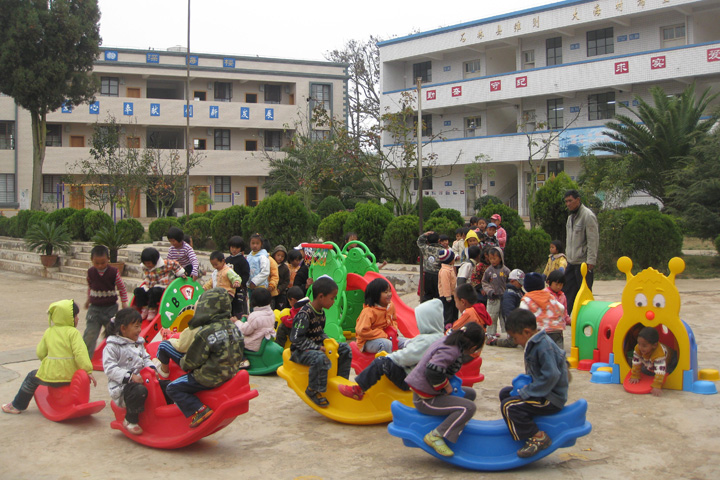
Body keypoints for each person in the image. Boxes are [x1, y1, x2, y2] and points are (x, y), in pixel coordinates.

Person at [166, 288, 245, 428]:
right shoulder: (234, 327)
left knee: (172, 388)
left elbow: (191, 362)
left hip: (210, 376)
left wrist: (181, 360)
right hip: (231, 372)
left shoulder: (206, 332)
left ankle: (200, 409)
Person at [404, 323, 485, 457]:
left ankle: (453, 421)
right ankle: (436, 435)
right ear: (473, 347)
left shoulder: (450, 341)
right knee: (468, 408)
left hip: (431, 392)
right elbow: (432, 370)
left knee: (469, 394)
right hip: (426, 399)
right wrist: (445, 385)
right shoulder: (451, 349)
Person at [338, 299, 445, 400]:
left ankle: (358, 390)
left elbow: (406, 357)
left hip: (411, 380)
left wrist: (389, 357)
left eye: (420, 321)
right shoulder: (438, 337)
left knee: (381, 362)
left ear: (428, 322)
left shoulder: (428, 340)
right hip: (420, 377)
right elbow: (414, 347)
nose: (417, 324)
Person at [3, 300, 96, 415]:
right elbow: (80, 353)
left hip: (51, 377)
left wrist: (48, 363)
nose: (77, 319)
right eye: (75, 316)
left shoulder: (49, 332)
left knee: (31, 377)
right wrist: (88, 370)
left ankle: (17, 406)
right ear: (67, 317)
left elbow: (40, 352)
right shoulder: (73, 333)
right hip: (70, 377)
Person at [500, 309, 569, 458]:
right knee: (505, 394)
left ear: (526, 332)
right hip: (542, 391)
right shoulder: (535, 342)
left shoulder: (544, 346)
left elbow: (551, 376)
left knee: (509, 406)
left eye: (515, 337)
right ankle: (521, 425)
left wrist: (527, 391)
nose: (515, 342)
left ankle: (538, 437)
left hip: (551, 398)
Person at [289, 276, 352, 408]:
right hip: (300, 351)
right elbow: (296, 339)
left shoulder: (321, 312)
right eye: (332, 298)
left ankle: (341, 381)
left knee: (344, 348)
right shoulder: (304, 314)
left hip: (315, 346)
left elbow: (318, 332)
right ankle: (313, 389)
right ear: (321, 296)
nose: (334, 301)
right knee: (320, 357)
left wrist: (327, 340)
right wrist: (316, 347)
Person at [102, 308, 158, 435]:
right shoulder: (112, 347)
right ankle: (130, 420)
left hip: (142, 380)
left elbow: (146, 358)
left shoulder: (138, 343)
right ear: (123, 328)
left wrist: (152, 369)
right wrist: (130, 376)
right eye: (136, 326)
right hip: (123, 388)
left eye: (140, 326)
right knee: (139, 391)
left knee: (164, 385)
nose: (139, 330)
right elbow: (110, 369)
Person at [83, 245, 129, 356]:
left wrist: (124, 302)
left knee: (113, 334)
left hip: (110, 308)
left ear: (108, 259)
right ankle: (85, 359)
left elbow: (121, 287)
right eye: (96, 263)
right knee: (90, 334)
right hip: (94, 309)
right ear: (91, 260)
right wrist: (88, 300)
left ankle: (115, 356)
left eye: (103, 262)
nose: (100, 265)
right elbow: (90, 286)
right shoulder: (90, 272)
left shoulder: (113, 272)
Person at [563, 189, 599, 315]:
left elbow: (593, 240)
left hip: (583, 263)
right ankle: (566, 317)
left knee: (584, 292)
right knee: (567, 291)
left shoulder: (588, 216)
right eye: (566, 201)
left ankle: (587, 317)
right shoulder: (570, 218)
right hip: (571, 262)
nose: (568, 204)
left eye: (570, 201)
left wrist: (591, 261)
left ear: (578, 200)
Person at [134, 247, 186, 320]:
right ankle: (144, 308)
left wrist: (181, 273)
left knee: (153, 291)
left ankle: (152, 309)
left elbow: (175, 265)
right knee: (138, 291)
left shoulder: (164, 264)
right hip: (149, 287)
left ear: (155, 260)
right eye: (145, 263)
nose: (147, 265)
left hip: (162, 288)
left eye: (149, 263)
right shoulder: (144, 267)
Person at [355, 278, 406, 353]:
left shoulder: (390, 306)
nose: (389, 294)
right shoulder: (368, 312)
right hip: (368, 341)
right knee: (386, 344)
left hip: (388, 336)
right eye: (385, 292)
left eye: (389, 291)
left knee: (410, 343)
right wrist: (382, 334)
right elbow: (362, 331)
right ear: (376, 295)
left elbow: (394, 320)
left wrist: (393, 330)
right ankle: (384, 363)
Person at [520, 273, 566, 349]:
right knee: (558, 351)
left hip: (540, 332)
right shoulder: (549, 295)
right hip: (556, 330)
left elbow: (522, 313)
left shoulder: (526, 299)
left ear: (526, 286)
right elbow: (561, 307)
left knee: (541, 351)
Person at [629, 327, 675, 397]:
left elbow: (660, 370)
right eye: (639, 343)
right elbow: (636, 361)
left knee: (668, 370)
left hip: (670, 359)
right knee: (645, 369)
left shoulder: (659, 354)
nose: (640, 347)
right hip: (650, 360)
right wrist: (635, 375)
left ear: (654, 345)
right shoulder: (638, 348)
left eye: (644, 345)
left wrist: (657, 385)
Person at [488, 269, 525, 348]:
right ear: (512, 281)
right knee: (512, 343)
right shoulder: (509, 294)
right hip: (514, 322)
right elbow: (508, 310)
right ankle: (494, 341)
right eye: (519, 282)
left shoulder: (519, 291)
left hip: (520, 320)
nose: (521, 284)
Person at [235, 287, 276, 352]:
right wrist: (249, 318)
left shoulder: (254, 316)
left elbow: (245, 330)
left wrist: (236, 322)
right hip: (264, 342)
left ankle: (243, 360)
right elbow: (261, 322)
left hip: (253, 345)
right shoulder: (271, 312)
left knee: (234, 344)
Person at [481, 246, 510, 337]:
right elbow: (484, 282)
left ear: (500, 258)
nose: (492, 261)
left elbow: (510, 282)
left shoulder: (506, 270)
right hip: (492, 298)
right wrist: (489, 291)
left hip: (504, 298)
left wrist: (508, 292)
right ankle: (490, 334)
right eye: (490, 258)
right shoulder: (488, 271)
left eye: (494, 258)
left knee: (505, 317)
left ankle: (507, 334)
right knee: (491, 316)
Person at [226, 236, 250, 318]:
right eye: (232, 247)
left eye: (237, 247)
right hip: (228, 289)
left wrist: (241, 284)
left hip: (239, 290)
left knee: (240, 310)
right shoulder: (227, 260)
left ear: (241, 248)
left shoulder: (243, 261)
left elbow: (246, 274)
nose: (234, 250)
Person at [417, 231, 443, 302]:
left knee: (428, 294)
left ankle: (424, 308)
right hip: (438, 274)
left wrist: (424, 235)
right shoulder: (442, 250)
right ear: (439, 241)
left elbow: (419, 242)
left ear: (427, 241)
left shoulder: (426, 248)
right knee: (439, 295)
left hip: (428, 274)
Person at [437, 249, 457, 325]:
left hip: (452, 295)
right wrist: (447, 296)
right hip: (446, 297)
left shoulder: (449, 268)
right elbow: (445, 284)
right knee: (448, 314)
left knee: (453, 313)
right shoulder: (445, 271)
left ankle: (453, 326)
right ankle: (447, 329)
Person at [270, 245, 290, 309]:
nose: (280, 257)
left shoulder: (285, 268)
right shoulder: (270, 265)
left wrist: (280, 289)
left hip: (281, 293)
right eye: (278, 255)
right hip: (271, 291)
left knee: (280, 309)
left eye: (282, 256)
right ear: (274, 255)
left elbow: (286, 281)